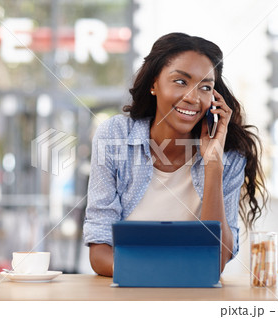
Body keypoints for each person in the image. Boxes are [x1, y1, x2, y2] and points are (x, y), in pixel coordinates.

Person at [83, 32, 268, 277]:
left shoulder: (229, 154)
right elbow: (100, 251)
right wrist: (161, 273)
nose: (192, 97)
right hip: (128, 291)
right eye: (180, 81)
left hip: (194, 296)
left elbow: (216, 261)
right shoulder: (115, 136)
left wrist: (213, 164)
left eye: (205, 87)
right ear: (153, 84)